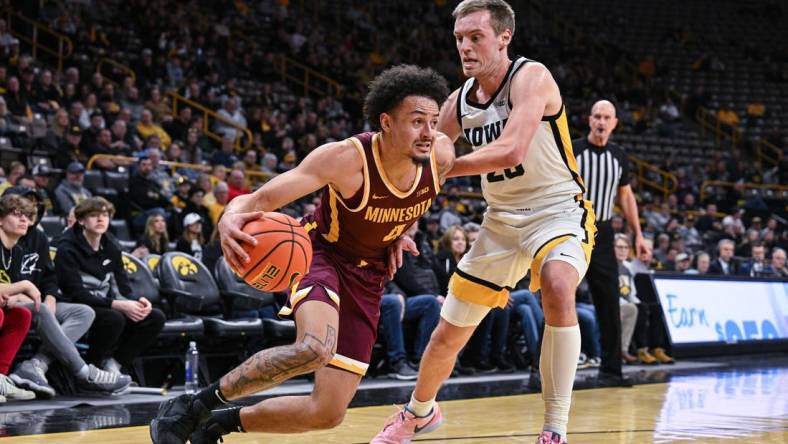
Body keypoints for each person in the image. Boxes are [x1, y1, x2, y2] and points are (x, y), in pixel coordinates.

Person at [149, 64, 454, 443]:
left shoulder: (440, 154)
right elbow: (260, 198)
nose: (428, 132)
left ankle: (216, 424)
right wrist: (230, 216)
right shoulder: (345, 159)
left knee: (327, 413)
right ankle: (192, 407)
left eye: (434, 121)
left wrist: (399, 231)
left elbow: (414, 199)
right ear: (387, 122)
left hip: (369, 276)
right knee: (314, 348)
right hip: (320, 253)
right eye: (417, 121)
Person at [373, 2, 596, 443]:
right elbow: (424, 172)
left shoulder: (532, 77)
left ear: (503, 37)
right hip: (500, 223)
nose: (465, 46)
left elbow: (511, 149)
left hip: (557, 210)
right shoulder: (457, 102)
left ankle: (555, 428)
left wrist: (442, 166)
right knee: (447, 330)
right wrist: (405, 224)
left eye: (475, 36)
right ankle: (418, 412)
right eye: (459, 38)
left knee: (557, 285)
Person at [2, 189, 130, 397]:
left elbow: (49, 278)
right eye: (19, 211)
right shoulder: (22, 243)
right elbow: (14, 285)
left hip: (37, 300)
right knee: (41, 309)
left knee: (84, 312)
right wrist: (24, 292)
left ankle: (37, 364)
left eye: (30, 209)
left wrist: (50, 296)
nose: (26, 215)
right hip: (21, 302)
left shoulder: (33, 240)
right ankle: (84, 372)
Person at [573, 100, 650, 386]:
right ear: (589, 119)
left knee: (609, 303)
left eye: (607, 117)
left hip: (603, 232)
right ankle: (543, 370)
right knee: (559, 298)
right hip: (573, 228)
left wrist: (638, 234)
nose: (601, 122)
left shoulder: (619, 156)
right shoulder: (574, 150)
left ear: (615, 122)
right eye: (597, 116)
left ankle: (611, 371)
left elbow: (626, 197)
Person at [54, 197, 166, 376]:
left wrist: (138, 302)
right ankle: (93, 367)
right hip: (77, 305)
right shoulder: (66, 248)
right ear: (81, 220)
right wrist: (118, 304)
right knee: (114, 318)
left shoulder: (112, 246)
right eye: (94, 215)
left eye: (105, 215)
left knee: (155, 317)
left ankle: (114, 364)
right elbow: (74, 293)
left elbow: (123, 287)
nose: (100, 219)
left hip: (105, 302)